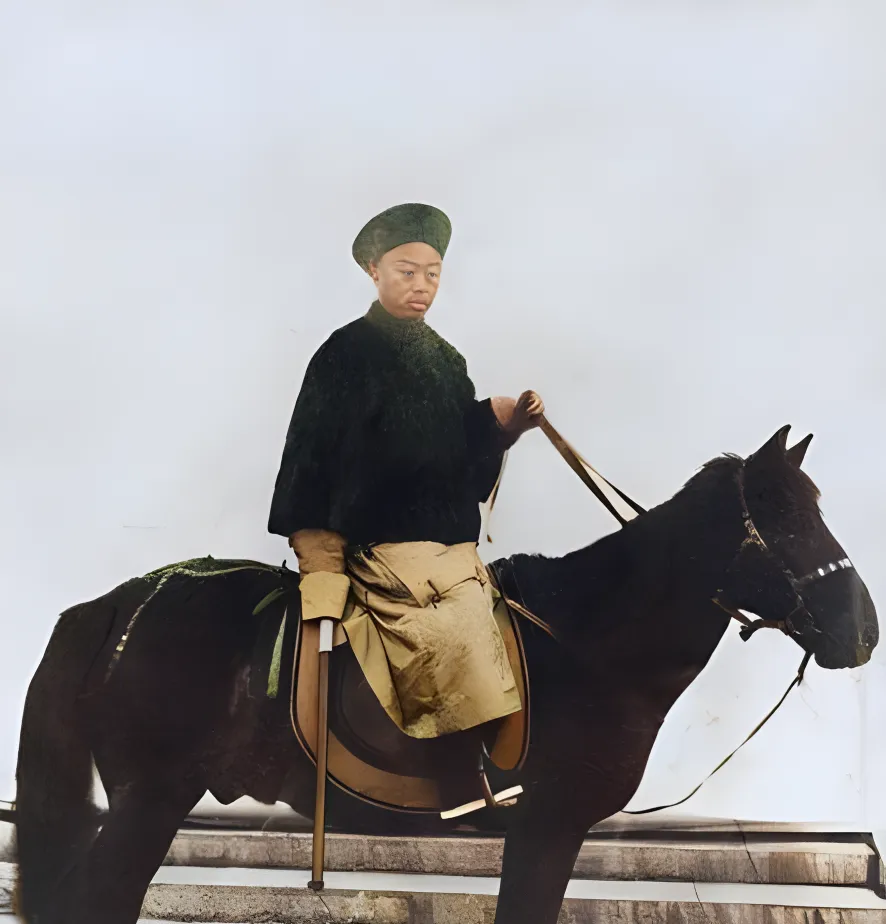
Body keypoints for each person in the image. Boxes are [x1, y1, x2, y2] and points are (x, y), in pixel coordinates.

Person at [268, 202, 543, 813]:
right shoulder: (344, 353)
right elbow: (310, 453)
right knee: (449, 626)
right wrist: (319, 554)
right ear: (374, 270)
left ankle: (524, 763)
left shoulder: (447, 360)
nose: (421, 285)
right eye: (406, 271)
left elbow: (461, 453)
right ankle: (460, 778)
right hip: (383, 547)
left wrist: (504, 424)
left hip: (452, 548)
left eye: (432, 274)